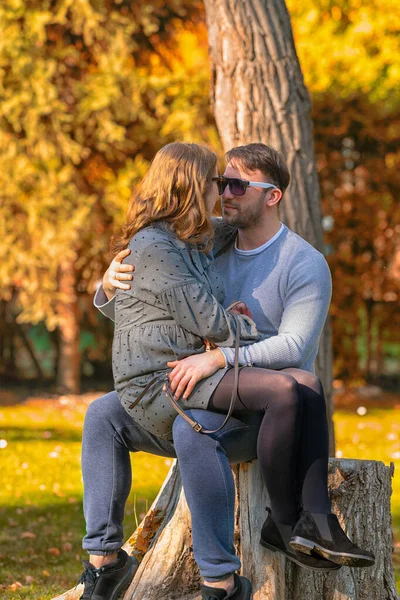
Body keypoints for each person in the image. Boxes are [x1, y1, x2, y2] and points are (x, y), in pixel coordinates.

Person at [78, 143, 374, 600]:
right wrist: (107, 282)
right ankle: (103, 562)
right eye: (220, 184)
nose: (224, 194)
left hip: (263, 407)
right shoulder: (207, 239)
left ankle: (224, 575)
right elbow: (153, 308)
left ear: (271, 195)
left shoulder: (303, 263)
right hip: (195, 383)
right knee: (102, 415)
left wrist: (219, 356)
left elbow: (295, 347)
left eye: (235, 185)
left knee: (199, 429)